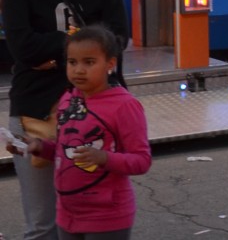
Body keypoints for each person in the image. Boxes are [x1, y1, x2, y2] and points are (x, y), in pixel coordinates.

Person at [3, 0, 129, 240]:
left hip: (98, 108)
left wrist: (57, 54)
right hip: (36, 108)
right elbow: (22, 48)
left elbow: (119, 38)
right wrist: (86, 53)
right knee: (43, 225)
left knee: (96, 217)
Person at [9, 26, 151, 240]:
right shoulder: (67, 99)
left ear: (110, 64)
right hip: (67, 215)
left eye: (89, 62)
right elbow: (65, 150)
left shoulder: (125, 106)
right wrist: (39, 147)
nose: (78, 70)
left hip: (107, 217)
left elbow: (141, 160)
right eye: (72, 62)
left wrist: (104, 158)